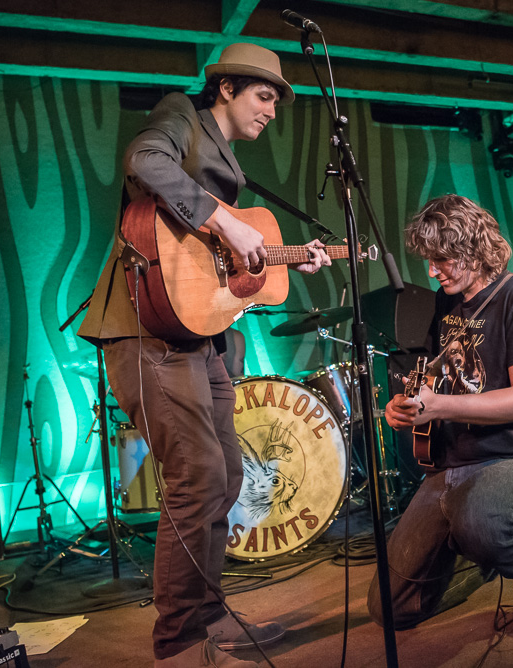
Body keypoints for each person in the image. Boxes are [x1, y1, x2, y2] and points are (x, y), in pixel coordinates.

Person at [78, 43, 332, 667]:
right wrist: (224, 219)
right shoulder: (180, 116)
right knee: (196, 479)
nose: (273, 110)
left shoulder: (225, 158)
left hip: (199, 337)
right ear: (226, 88)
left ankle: (210, 615)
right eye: (265, 95)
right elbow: (142, 160)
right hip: (147, 332)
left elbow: (218, 272)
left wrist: (288, 257)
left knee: (226, 473)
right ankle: (178, 642)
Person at [368, 194, 513, 635]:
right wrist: (409, 406)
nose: (433, 272)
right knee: (390, 610)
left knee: (483, 523)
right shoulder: (447, 302)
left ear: (473, 248)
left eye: (442, 260)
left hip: (511, 457)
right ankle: (483, 558)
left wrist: (441, 405)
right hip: (451, 463)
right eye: (430, 261)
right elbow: (436, 378)